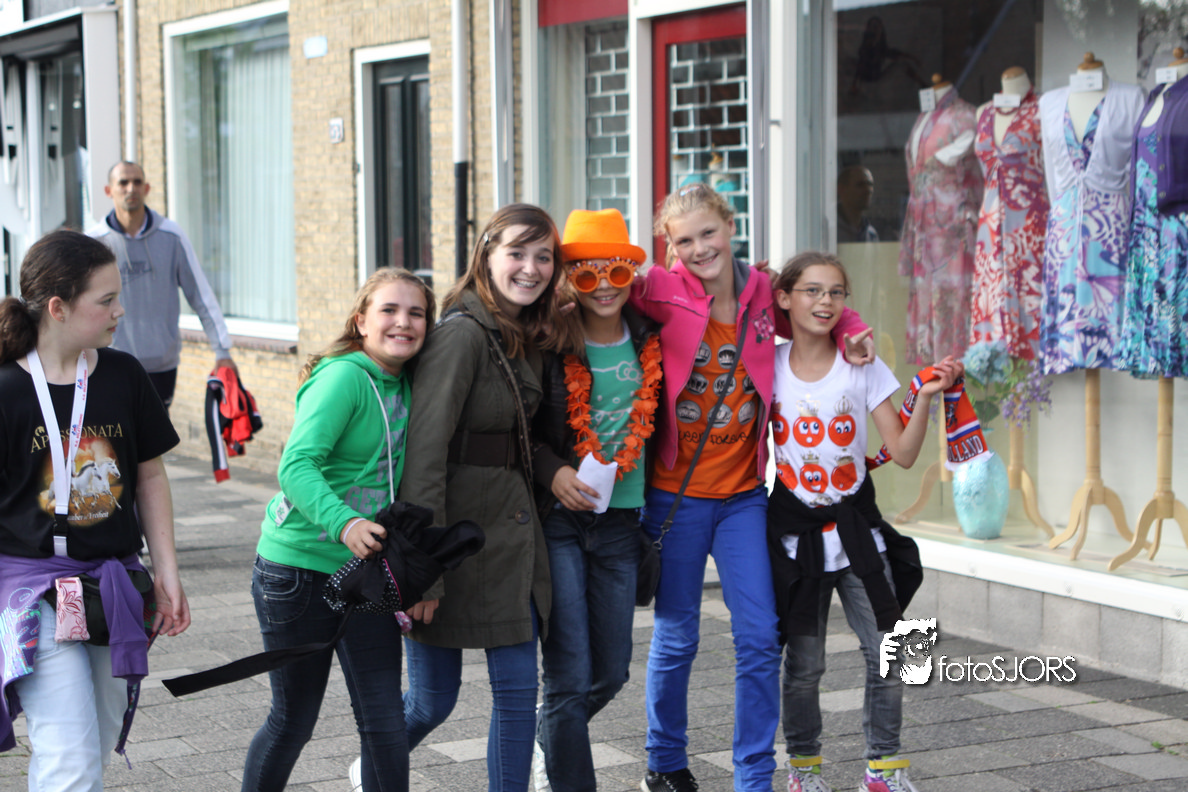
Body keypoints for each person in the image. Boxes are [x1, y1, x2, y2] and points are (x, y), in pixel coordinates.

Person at [633, 183, 871, 792]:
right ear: (670, 247)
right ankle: (664, 761)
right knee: (678, 636)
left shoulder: (765, 290)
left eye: (708, 233)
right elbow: (602, 297)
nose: (699, 249)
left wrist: (853, 330)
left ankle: (754, 776)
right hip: (675, 499)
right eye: (684, 240)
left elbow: (821, 303)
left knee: (761, 637)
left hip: (743, 498)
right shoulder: (658, 288)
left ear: (730, 226)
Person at [0, 229, 190, 789]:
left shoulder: (124, 374)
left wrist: (167, 571)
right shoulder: (6, 389)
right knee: (69, 754)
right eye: (105, 300)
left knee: (99, 738)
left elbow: (149, 474)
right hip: (32, 589)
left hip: (111, 586)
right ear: (58, 308)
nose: (119, 311)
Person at [767, 252, 960, 792]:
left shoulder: (864, 365)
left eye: (836, 292)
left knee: (890, 652)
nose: (825, 301)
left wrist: (925, 397)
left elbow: (903, 452)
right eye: (811, 290)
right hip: (797, 540)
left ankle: (884, 770)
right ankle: (804, 770)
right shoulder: (767, 364)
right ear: (785, 298)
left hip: (858, 535)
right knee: (805, 665)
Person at [241, 267, 435, 792]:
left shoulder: (409, 382)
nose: (403, 322)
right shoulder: (344, 377)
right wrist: (345, 522)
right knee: (294, 721)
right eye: (389, 310)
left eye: (416, 313)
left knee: (385, 722)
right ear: (361, 321)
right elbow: (295, 465)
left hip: (365, 578)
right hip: (297, 572)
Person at [398, 204, 567, 791]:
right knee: (432, 701)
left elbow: (521, 437)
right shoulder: (461, 336)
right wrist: (425, 570)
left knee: (518, 693)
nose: (531, 268)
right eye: (517, 252)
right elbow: (425, 453)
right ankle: (374, 767)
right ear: (487, 254)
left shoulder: (527, 335)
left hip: (512, 540)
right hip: (454, 543)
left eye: (544, 256)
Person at [531, 209, 660, 792]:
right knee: (568, 675)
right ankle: (563, 765)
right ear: (568, 280)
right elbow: (521, 427)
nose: (604, 286)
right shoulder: (550, 341)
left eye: (616, 273)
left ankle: (548, 736)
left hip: (621, 522)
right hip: (560, 520)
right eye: (586, 275)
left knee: (610, 673)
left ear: (632, 276)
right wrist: (552, 470)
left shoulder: (651, 334)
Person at [87, 161, 235, 408]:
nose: (131, 188)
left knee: (156, 433)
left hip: (161, 365)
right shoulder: (93, 243)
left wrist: (222, 350)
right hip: (109, 362)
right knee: (118, 431)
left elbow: (201, 295)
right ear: (108, 190)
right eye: (123, 182)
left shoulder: (171, 235)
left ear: (146, 188)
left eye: (137, 182)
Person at [837, 166, 879, 244]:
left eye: (870, 184)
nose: (868, 190)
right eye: (860, 185)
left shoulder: (871, 234)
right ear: (841, 189)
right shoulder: (830, 229)